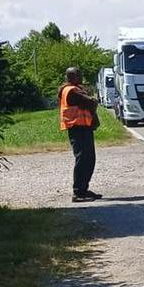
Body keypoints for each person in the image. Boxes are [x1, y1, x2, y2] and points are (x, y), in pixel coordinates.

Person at [58, 68, 102, 202]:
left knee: (89, 159)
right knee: (83, 159)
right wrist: (92, 100)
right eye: (79, 75)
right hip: (77, 128)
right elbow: (90, 102)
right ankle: (78, 192)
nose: (81, 77)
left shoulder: (75, 88)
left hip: (84, 127)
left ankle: (83, 189)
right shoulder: (71, 90)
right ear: (72, 77)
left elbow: (90, 101)